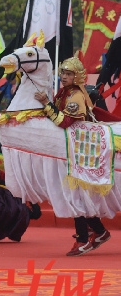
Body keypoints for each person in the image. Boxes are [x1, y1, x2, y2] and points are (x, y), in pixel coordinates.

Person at [35, 56, 111, 256]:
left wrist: (46, 104)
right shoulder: (64, 93)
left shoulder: (76, 95)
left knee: (75, 195)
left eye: (69, 74)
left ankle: (84, 239)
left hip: (81, 153)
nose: (64, 77)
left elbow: (64, 122)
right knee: (74, 194)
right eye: (62, 73)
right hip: (69, 151)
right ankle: (100, 232)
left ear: (77, 77)